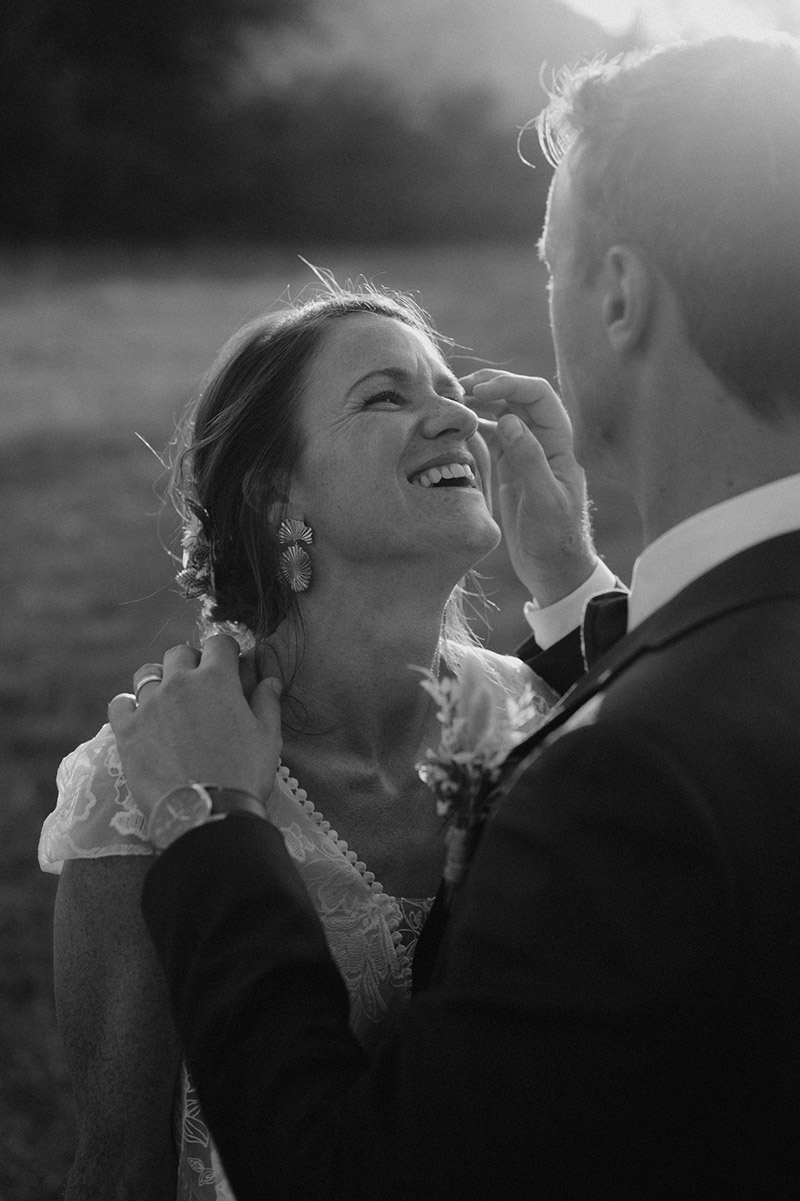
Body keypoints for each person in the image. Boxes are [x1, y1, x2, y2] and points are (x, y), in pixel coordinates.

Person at [107, 33, 800, 1200]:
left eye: (549, 260)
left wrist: (216, 818)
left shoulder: (616, 783)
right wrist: (572, 577)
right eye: (390, 393)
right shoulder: (671, 705)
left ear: (619, 293)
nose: (453, 416)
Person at [39, 281, 597, 1199]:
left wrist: (571, 566)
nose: (453, 413)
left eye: (445, 387)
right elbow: (117, 1171)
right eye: (387, 396)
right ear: (275, 497)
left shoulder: (544, 719)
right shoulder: (144, 785)